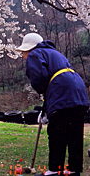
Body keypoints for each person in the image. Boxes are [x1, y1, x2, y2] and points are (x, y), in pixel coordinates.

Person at [16, 33, 89, 176]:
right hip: (78, 91)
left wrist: (43, 95)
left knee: (56, 131)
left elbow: (39, 78)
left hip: (62, 91)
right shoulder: (54, 53)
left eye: (23, 52)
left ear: (28, 49)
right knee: (75, 133)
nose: (23, 55)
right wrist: (47, 108)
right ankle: (74, 169)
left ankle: (55, 170)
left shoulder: (35, 54)